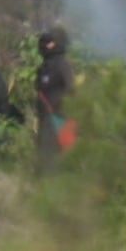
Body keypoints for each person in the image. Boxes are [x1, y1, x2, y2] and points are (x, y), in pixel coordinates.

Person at [34, 27, 76, 170]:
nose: (44, 45)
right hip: (45, 118)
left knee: (59, 160)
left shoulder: (62, 65)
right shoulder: (43, 68)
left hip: (59, 118)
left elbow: (71, 90)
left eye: (49, 42)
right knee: (46, 159)